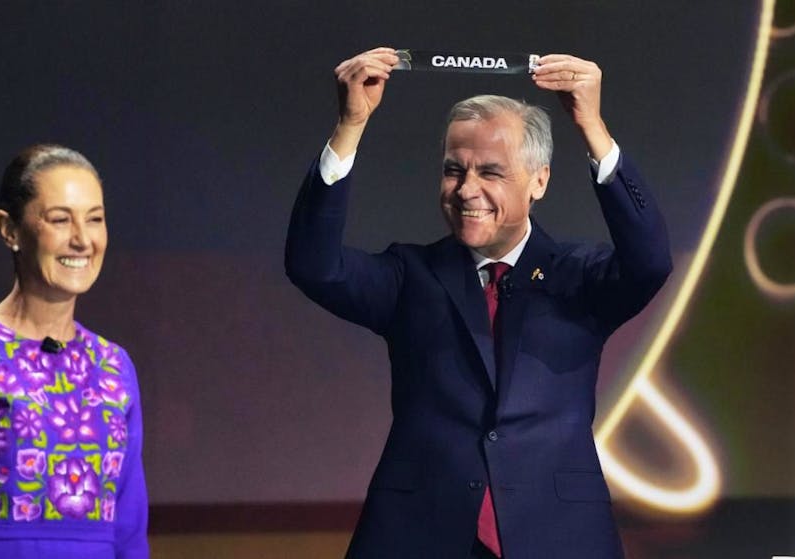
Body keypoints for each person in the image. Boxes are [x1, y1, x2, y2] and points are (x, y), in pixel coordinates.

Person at [285, 47, 672, 558]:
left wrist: (593, 128)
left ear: (540, 180)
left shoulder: (580, 279)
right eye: (453, 170)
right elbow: (314, 265)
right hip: (420, 535)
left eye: (490, 172)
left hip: (557, 535)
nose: (467, 189)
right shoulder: (411, 277)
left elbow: (649, 262)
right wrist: (350, 125)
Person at [0, 145, 149, 558]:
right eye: (60, 219)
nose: (82, 239)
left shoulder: (114, 366)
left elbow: (129, 528)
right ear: (9, 229)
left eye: (95, 219)